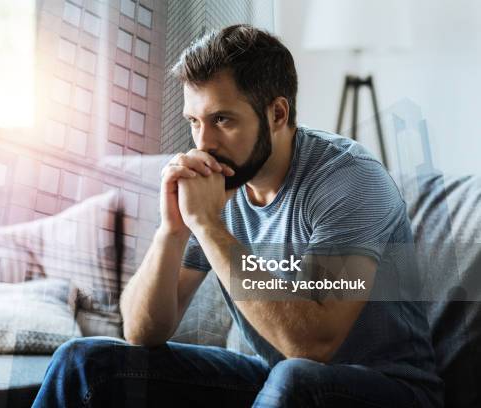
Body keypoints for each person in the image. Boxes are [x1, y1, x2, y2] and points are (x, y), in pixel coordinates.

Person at [32, 24, 443, 407]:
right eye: (194, 121)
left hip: (389, 388)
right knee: (85, 362)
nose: (203, 142)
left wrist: (209, 226)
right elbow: (141, 332)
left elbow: (312, 346)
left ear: (277, 114)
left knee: (296, 377)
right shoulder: (217, 183)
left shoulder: (349, 179)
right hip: (272, 378)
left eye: (222, 120)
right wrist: (174, 230)